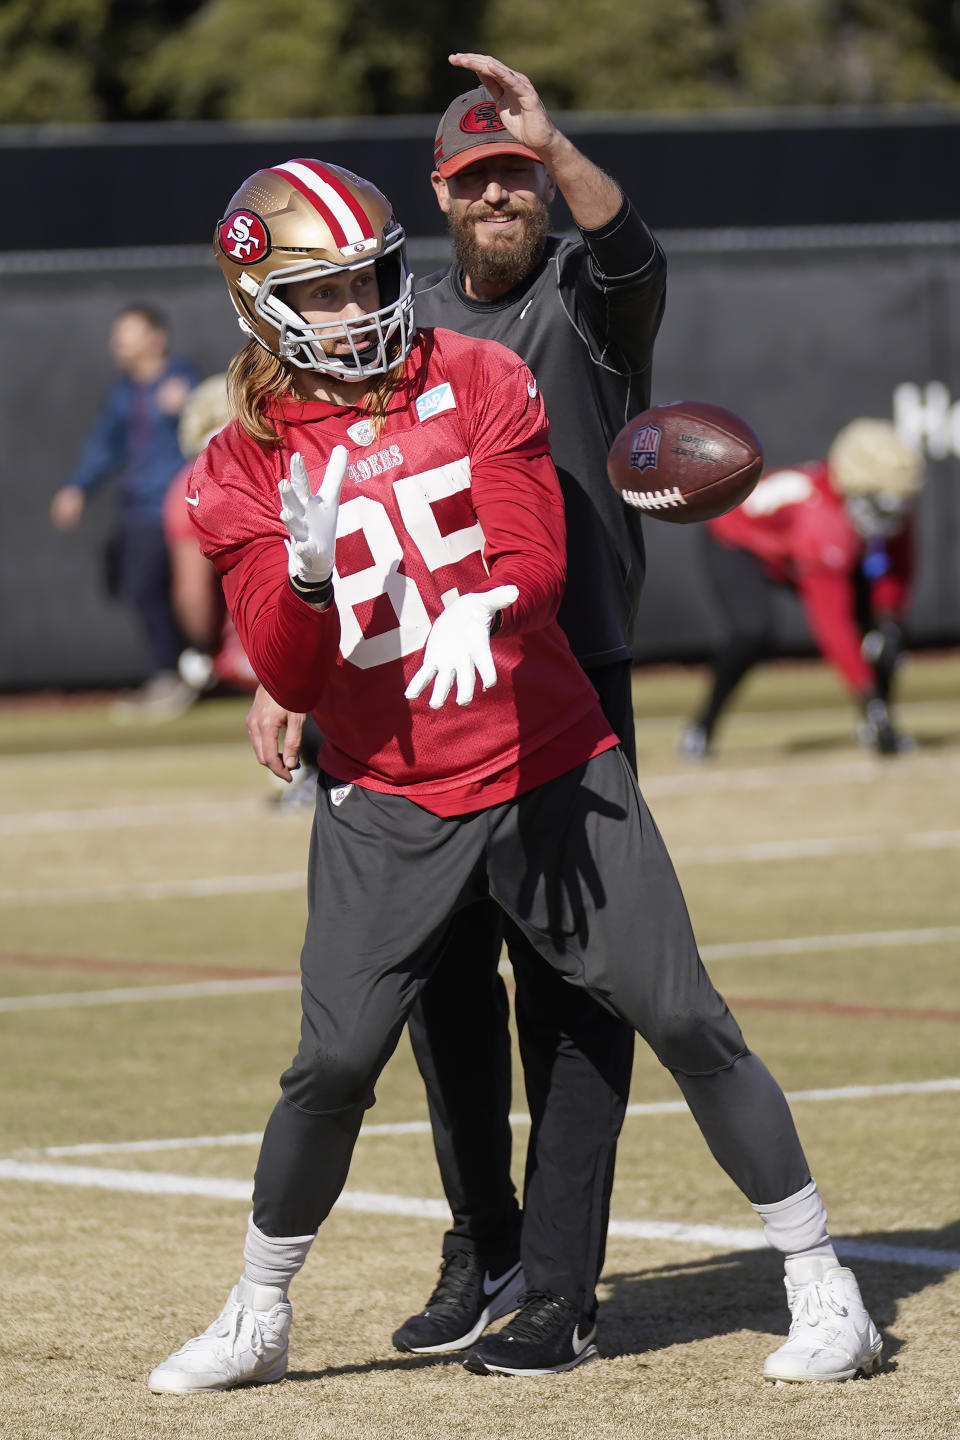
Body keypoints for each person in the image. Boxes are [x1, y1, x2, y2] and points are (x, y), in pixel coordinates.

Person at [148, 154, 880, 1395]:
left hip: (548, 756)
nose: (356, 309)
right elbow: (281, 656)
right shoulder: (237, 469)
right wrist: (312, 579)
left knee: (686, 1014)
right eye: (323, 292)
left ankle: (826, 1284)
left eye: (369, 280)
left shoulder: (478, 372)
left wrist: (481, 605)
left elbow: (537, 559)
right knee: (334, 1063)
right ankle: (261, 1309)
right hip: (388, 792)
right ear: (263, 301)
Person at [245, 52, 665, 1373]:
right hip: (398, 691)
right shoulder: (385, 325)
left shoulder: (586, 307)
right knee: (433, 990)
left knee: (573, 991)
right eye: (478, 180)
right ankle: (483, 1242)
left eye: (519, 178)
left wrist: (564, 143)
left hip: (562, 675)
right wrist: (288, 669)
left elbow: (633, 254)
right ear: (440, 194)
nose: (502, 198)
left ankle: (559, 1283)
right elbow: (298, 493)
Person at [677, 418, 925, 759]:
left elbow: (897, 570)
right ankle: (701, 728)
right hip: (738, 543)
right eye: (881, 505)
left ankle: (879, 722)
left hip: (794, 552)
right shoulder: (822, 517)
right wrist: (866, 694)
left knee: (886, 631)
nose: (892, 517)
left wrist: (889, 617)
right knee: (753, 632)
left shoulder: (883, 501)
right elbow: (832, 623)